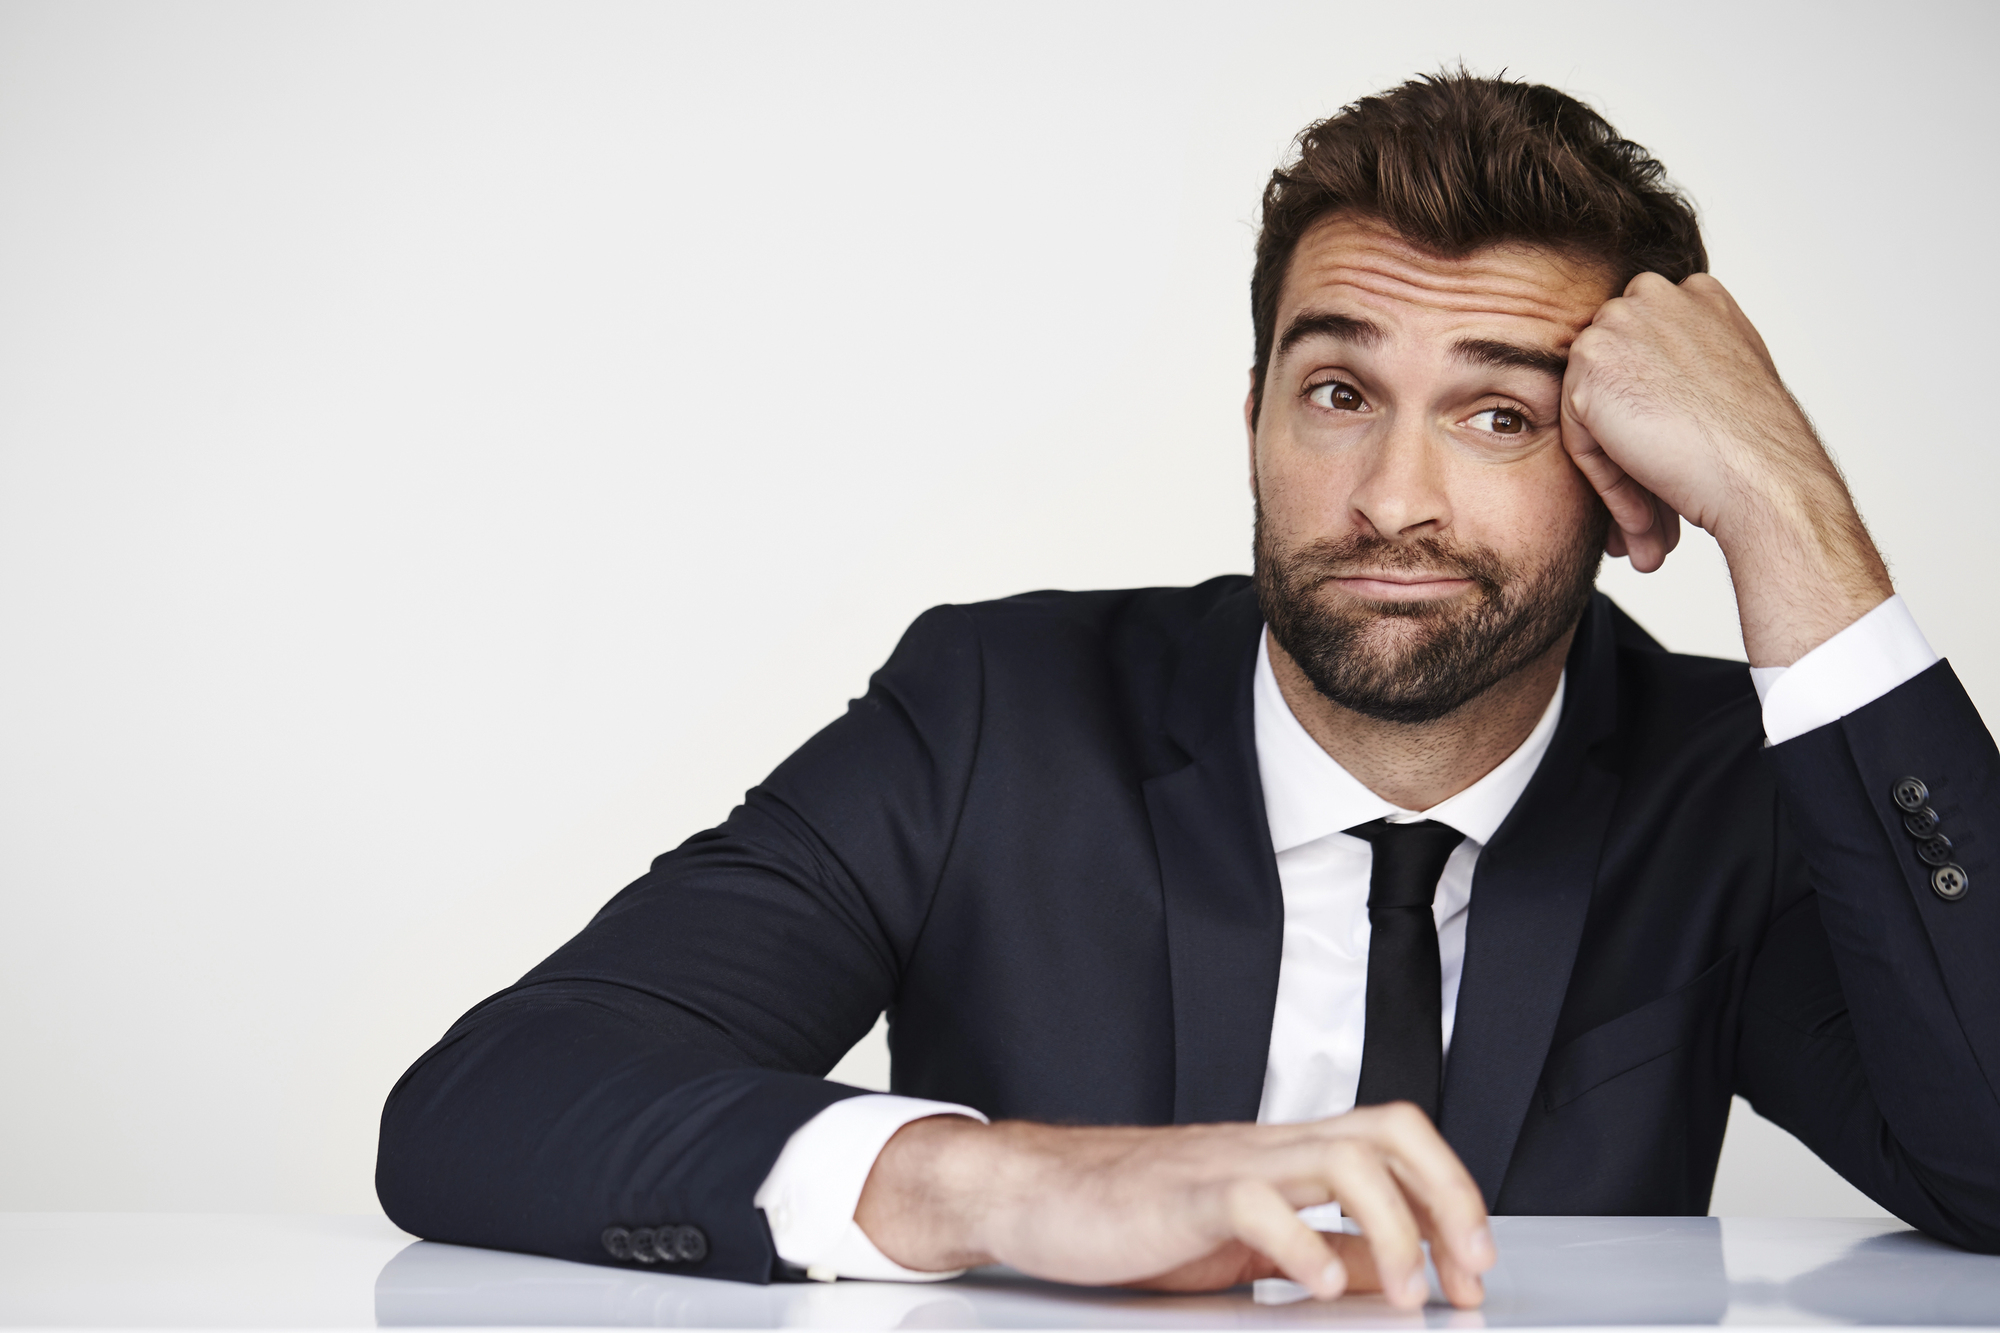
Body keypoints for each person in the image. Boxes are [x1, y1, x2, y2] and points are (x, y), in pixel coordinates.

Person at [375, 72, 2000, 1309]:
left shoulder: (1726, 790)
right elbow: (481, 1103)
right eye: (1341, 391)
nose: (1389, 498)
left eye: (1501, 416)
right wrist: (997, 1183)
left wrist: (1789, 505)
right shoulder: (993, 712)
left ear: (1627, 479)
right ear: (1253, 417)